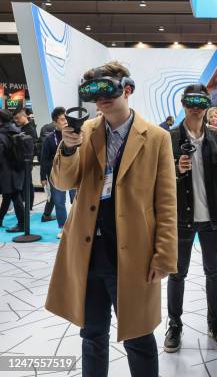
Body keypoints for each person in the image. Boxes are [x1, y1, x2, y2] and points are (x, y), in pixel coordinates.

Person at [45, 61, 178, 377]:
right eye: (94, 93)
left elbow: (166, 201)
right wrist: (67, 149)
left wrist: (164, 255)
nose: (101, 99)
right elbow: (63, 183)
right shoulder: (85, 132)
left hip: (133, 252)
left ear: (127, 89)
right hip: (87, 251)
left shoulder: (157, 137)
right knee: (91, 335)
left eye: (108, 90)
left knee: (139, 336)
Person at [164, 85, 217, 353]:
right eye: (190, 101)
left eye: (200, 101)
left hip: (213, 219)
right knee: (177, 274)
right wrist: (175, 168)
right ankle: (174, 325)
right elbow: (155, 177)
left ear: (208, 104)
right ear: (183, 103)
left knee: (214, 272)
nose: (195, 106)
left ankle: (215, 324)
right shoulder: (168, 138)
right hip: (181, 218)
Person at [40, 107, 75, 239]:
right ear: (55, 122)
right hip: (56, 175)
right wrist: (43, 177)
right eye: (62, 119)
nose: (65, 121)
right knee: (59, 202)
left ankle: (77, 225)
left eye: (66, 118)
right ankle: (63, 228)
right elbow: (43, 158)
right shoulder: (50, 139)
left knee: (76, 200)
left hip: (72, 173)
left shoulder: (73, 135)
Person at [0, 109, 26, 233]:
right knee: (8, 195)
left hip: (6, 170)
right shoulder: (16, 130)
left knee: (15, 196)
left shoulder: (2, 134)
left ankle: (22, 224)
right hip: (18, 168)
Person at [13, 106, 37, 210]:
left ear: (24, 116)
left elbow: (32, 148)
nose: (16, 120)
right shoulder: (20, 128)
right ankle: (25, 205)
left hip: (27, 162)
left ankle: (29, 206)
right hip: (20, 162)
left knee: (27, 184)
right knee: (23, 184)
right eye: (15, 119)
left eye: (18, 118)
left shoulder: (30, 129)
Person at [38, 119, 57, 222]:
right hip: (55, 168)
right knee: (55, 194)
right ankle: (46, 214)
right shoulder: (52, 137)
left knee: (54, 193)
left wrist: (42, 176)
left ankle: (46, 214)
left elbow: (43, 159)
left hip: (50, 168)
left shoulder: (44, 129)